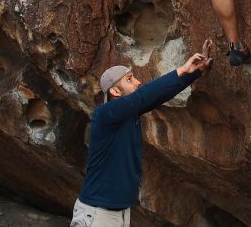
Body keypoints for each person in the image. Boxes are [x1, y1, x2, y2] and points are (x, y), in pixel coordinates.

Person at [70, 41, 213, 227]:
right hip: (96, 214)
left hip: (119, 212)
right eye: (129, 79)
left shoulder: (130, 114)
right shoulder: (105, 114)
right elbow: (143, 96)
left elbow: (158, 95)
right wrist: (182, 69)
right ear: (114, 91)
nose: (137, 81)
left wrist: (196, 72)